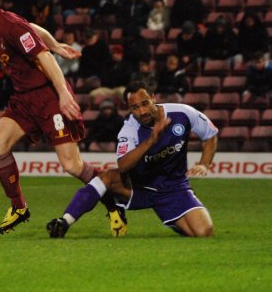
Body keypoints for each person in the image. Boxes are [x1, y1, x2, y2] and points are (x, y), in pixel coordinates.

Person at [0, 0, 126, 235]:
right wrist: (57, 44)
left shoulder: (9, 25)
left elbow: (43, 57)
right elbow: (34, 28)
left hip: (48, 97)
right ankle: (19, 207)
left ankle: (113, 205)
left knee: (72, 165)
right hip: (25, 98)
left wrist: (62, 94)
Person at [46, 80, 217, 238]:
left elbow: (210, 135)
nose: (142, 111)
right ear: (129, 108)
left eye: (145, 104)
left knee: (204, 232)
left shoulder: (182, 113)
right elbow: (123, 166)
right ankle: (65, 222)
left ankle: (170, 214)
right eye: (135, 107)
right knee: (106, 177)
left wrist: (204, 164)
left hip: (175, 188)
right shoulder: (129, 129)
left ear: (153, 98)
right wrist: (151, 140)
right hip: (140, 187)